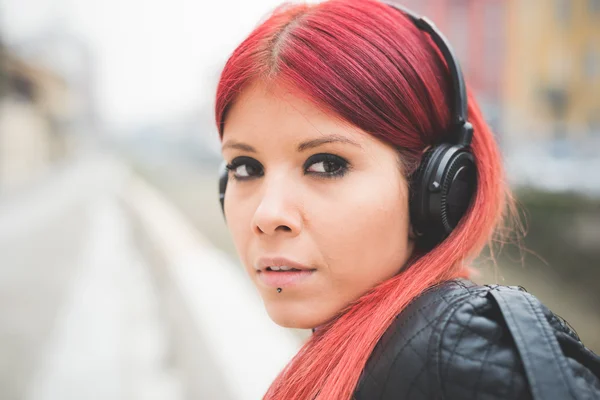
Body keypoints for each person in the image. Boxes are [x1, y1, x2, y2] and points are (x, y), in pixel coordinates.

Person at [214, 0, 600, 398]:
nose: (267, 214)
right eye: (245, 167)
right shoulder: (392, 351)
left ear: (437, 185)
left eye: (326, 164)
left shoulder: (464, 356)